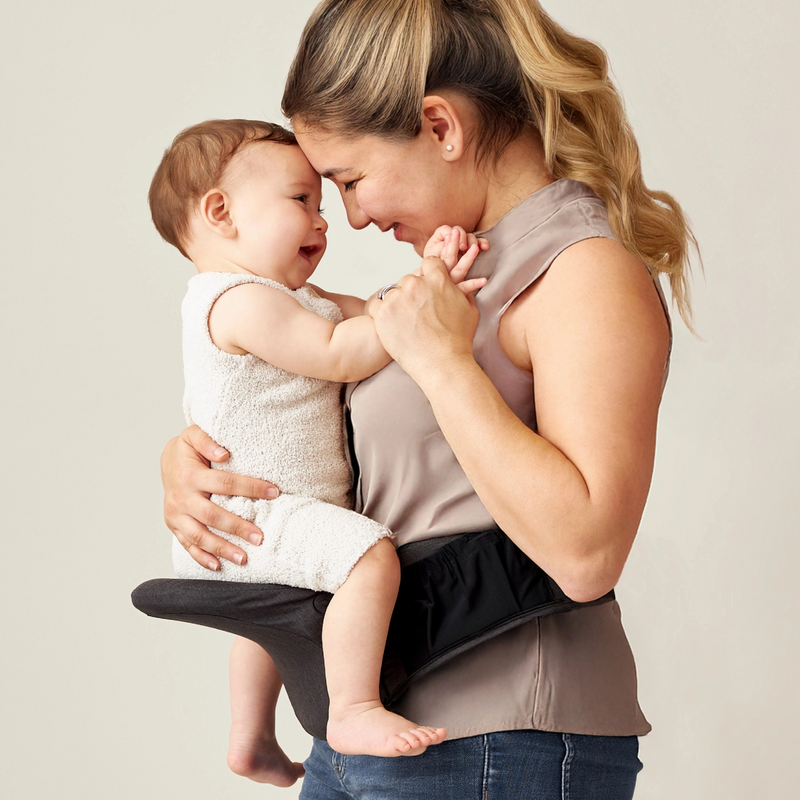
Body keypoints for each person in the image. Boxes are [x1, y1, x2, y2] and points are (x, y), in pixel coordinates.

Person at [159, 1, 697, 797]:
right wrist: (194, 463)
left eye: (350, 178)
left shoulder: (582, 271)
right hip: (367, 729)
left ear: (440, 126)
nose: (353, 216)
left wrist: (444, 364)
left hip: (501, 737)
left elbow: (587, 552)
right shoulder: (453, 271)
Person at [147, 119, 487, 777]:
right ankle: (352, 708)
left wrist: (431, 278)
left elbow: (375, 312)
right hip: (258, 516)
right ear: (221, 213)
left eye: (322, 204)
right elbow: (342, 353)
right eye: (301, 200)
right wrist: (423, 298)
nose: (324, 220)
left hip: (257, 521)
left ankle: (249, 736)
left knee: (272, 615)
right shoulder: (238, 301)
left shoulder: (294, 298)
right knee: (368, 556)